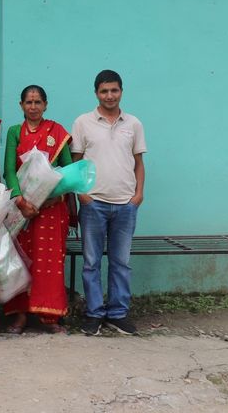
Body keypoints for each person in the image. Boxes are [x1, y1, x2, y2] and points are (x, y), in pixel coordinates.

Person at [71, 70, 146, 336]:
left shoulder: (133, 124)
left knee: (121, 262)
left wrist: (138, 195)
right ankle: (93, 313)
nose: (109, 95)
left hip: (126, 204)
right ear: (96, 93)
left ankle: (118, 313)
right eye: (104, 91)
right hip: (94, 204)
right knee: (91, 262)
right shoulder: (83, 122)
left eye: (114, 90)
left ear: (121, 91)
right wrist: (83, 195)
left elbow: (139, 163)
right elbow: (76, 162)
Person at [3, 85, 74, 334]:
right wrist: (21, 201)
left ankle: (49, 316)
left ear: (45, 105)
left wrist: (57, 196)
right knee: (21, 260)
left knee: (49, 262)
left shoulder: (57, 132)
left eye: (38, 102)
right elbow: (9, 170)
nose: (33, 107)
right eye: (28, 102)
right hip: (22, 210)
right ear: (21, 105)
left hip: (52, 209)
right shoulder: (14, 132)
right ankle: (20, 315)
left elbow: (68, 170)